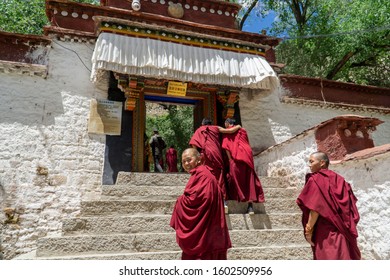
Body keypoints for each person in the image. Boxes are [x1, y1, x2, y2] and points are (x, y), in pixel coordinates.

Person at [296, 151, 361, 260]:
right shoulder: (340, 180)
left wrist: (308, 230)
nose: (309, 165)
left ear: (322, 163)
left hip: (326, 233)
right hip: (343, 231)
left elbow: (315, 208)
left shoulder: (315, 180)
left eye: (312, 161)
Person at [170, 148, 232, 260]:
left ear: (199, 159)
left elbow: (200, 199)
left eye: (189, 160)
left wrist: (180, 201)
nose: (186, 163)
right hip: (209, 233)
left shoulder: (202, 175)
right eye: (183, 161)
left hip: (205, 237)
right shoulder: (202, 174)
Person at [189, 118, 240, 203]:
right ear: (211, 123)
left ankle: (207, 197)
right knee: (219, 175)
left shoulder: (199, 130)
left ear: (202, 123)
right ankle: (223, 199)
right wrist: (238, 126)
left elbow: (193, 143)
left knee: (206, 175)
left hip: (205, 155)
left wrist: (197, 154)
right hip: (216, 154)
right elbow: (230, 131)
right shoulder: (216, 128)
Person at [221, 118, 265, 214]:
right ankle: (250, 206)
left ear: (228, 123)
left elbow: (226, 147)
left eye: (225, 123)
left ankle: (233, 200)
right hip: (247, 155)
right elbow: (246, 143)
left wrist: (230, 160)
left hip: (236, 158)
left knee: (233, 177)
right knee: (249, 180)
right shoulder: (243, 130)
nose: (225, 125)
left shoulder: (227, 132)